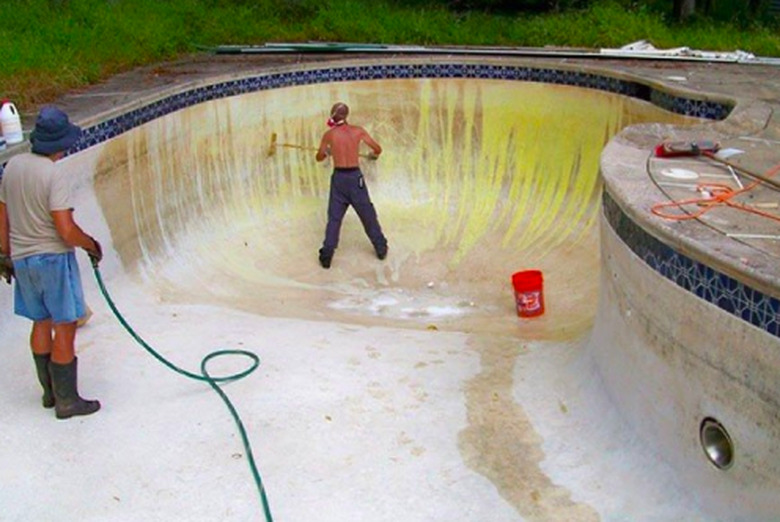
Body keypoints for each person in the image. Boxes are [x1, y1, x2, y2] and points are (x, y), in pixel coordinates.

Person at [0, 105, 103, 420]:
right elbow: (65, 229)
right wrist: (92, 245)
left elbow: (2, 215)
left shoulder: (14, 166)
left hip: (22, 258)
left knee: (41, 321)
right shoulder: (54, 174)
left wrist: (4, 254)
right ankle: (68, 401)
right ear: (62, 143)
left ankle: (49, 393)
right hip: (53, 260)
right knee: (65, 324)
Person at [315, 102, 388, 269]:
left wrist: (326, 153)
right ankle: (381, 247)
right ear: (346, 116)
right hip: (355, 178)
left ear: (333, 115)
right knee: (367, 214)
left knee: (334, 218)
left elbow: (318, 157)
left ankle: (326, 255)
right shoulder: (358, 131)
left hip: (339, 179)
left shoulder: (329, 135)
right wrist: (372, 155)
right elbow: (378, 148)